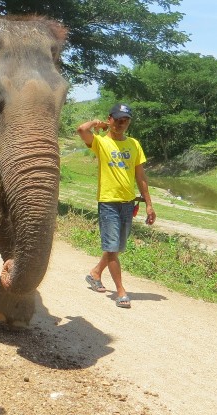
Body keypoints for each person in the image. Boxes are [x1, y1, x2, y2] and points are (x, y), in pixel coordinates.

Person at [76, 103, 156, 308]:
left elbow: (141, 176)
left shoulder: (134, 145)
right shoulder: (101, 143)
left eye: (125, 120)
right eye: (117, 119)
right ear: (109, 119)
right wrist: (96, 123)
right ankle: (121, 291)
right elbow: (82, 130)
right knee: (112, 248)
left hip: (128, 203)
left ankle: (95, 274)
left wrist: (149, 204)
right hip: (108, 202)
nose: (121, 123)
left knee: (117, 248)